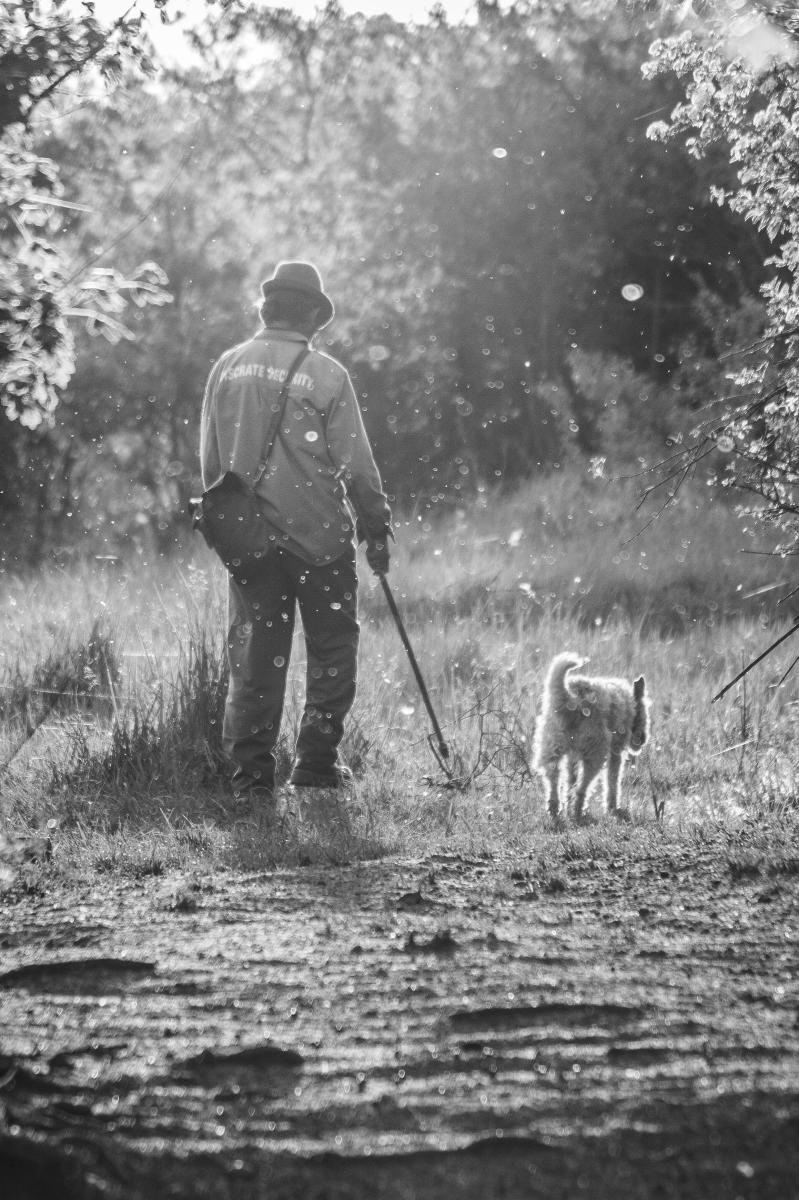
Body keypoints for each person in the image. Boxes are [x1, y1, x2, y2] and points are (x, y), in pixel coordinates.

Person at [200, 260, 392, 807]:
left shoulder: (226, 368)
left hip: (249, 543)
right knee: (332, 650)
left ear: (268, 309)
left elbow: (212, 468)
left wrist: (230, 533)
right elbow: (356, 464)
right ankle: (315, 764)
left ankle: (251, 781)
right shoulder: (328, 375)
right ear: (309, 313)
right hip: (321, 539)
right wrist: (375, 526)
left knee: (256, 658)